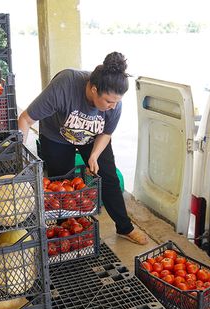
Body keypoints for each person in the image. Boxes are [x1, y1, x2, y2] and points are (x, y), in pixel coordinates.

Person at [17, 51, 148, 245]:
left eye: (117, 102)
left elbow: (106, 133)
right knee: (62, 183)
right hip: (57, 135)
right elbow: (26, 119)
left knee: (109, 177)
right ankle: (65, 230)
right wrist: (20, 159)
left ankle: (124, 227)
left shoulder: (114, 105)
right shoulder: (65, 85)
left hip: (92, 137)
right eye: (109, 101)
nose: (113, 106)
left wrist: (94, 156)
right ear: (94, 89)